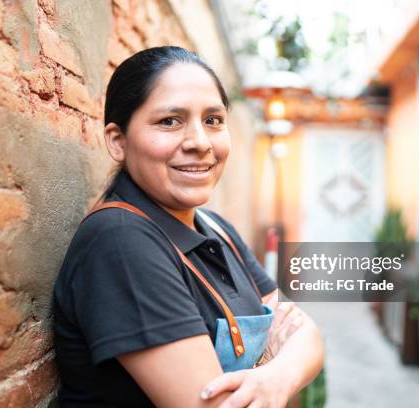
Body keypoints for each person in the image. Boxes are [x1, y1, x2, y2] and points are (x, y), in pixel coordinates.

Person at [53, 46, 324, 407]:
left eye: (213, 120)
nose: (199, 142)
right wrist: (281, 364)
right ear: (118, 141)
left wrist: (275, 379)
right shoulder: (121, 241)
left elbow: (310, 337)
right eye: (170, 121)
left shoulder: (217, 228)